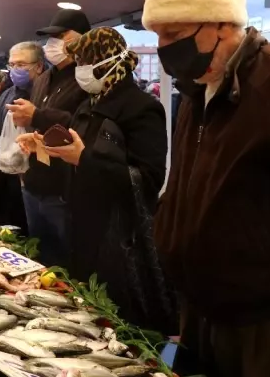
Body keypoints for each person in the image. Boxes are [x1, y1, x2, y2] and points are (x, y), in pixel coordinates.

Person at [142, 0, 270, 377]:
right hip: (199, 308)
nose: (164, 48)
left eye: (173, 34)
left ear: (222, 24)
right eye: (158, 36)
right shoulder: (199, 94)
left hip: (262, 325)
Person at [17, 27, 175, 330]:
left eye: (85, 64)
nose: (80, 72)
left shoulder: (143, 108)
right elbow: (73, 153)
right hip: (81, 224)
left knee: (118, 320)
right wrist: (41, 146)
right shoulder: (88, 103)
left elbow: (149, 179)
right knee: (87, 314)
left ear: (108, 63)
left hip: (117, 237)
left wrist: (83, 159)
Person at [6, 9, 90, 267]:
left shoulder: (86, 78)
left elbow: (80, 123)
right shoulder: (43, 79)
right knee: (38, 256)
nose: (53, 43)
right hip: (34, 182)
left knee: (67, 261)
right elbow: (38, 120)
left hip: (62, 188)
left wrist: (38, 116)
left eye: (61, 36)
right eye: (51, 37)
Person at [0, 42, 46, 233]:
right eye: (12, 65)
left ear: (39, 66)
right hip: (8, 175)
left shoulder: (47, 94)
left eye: (21, 65)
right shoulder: (5, 95)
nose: (14, 70)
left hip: (39, 178)